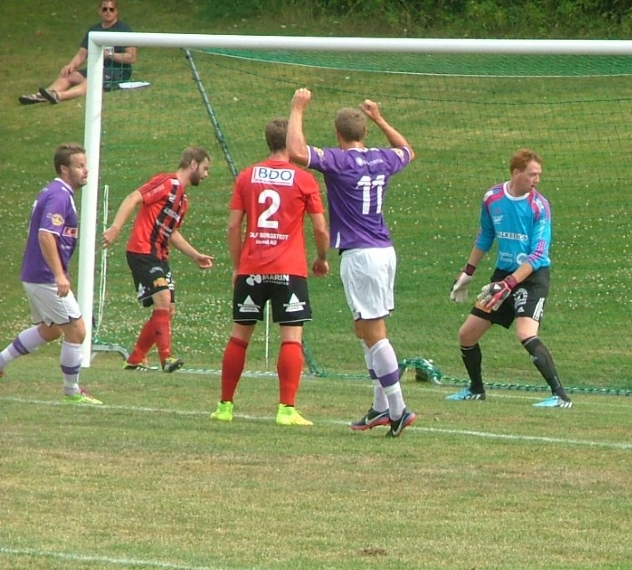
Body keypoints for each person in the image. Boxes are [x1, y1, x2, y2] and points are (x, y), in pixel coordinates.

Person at [286, 88, 418, 437]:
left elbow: (296, 151)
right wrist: (381, 118)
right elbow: (407, 150)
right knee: (363, 328)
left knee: (374, 332)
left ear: (338, 134)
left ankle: (398, 409)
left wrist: (297, 109)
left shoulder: (339, 161)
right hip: (383, 251)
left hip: (361, 255)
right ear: (365, 132)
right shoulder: (381, 158)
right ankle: (380, 405)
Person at [210, 119, 331, 426]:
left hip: (252, 267)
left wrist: (238, 266)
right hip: (289, 269)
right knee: (291, 338)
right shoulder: (304, 179)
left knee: (239, 337)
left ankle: (225, 406)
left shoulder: (247, 176)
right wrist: (321, 258)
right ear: (290, 142)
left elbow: (233, 226)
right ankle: (286, 410)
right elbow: (320, 228)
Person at [447, 149, 572, 409]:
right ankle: (476, 390)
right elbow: (485, 235)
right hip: (503, 277)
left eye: (538, 174)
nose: (537, 180)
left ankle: (560, 396)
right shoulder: (492, 198)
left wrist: (510, 284)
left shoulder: (539, 206)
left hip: (531, 277)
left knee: (525, 333)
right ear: (516, 173)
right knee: (467, 335)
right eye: (532, 174)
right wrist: (468, 271)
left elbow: (537, 255)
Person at [0, 143, 102, 405]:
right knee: (77, 330)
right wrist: (58, 274)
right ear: (65, 169)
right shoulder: (59, 195)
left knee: (52, 329)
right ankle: (72, 391)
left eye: (85, 165)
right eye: (80, 166)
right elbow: (46, 235)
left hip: (36, 273)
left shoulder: (55, 192)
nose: (86, 170)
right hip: (45, 276)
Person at [101, 146, 215, 373]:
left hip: (159, 256)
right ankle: (166, 358)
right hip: (142, 250)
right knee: (163, 299)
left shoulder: (182, 201)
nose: (206, 174)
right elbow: (134, 197)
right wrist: (115, 227)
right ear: (193, 164)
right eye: (204, 168)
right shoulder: (166, 183)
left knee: (168, 309)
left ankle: (135, 358)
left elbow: (171, 233)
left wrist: (195, 255)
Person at [20, 0, 137, 105]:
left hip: (116, 72)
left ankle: (59, 96)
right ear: (99, 11)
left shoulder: (124, 29)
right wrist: (71, 65)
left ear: (116, 11)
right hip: (94, 68)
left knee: (91, 80)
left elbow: (131, 57)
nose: (108, 12)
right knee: (68, 75)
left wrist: (110, 55)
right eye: (104, 9)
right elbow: (82, 54)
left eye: (111, 9)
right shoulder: (94, 30)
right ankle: (41, 96)